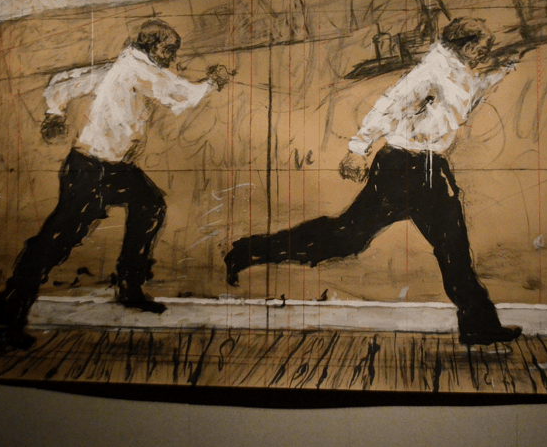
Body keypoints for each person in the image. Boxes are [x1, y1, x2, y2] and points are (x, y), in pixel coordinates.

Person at [224, 17, 522, 346]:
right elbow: (388, 107)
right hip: (402, 168)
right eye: (482, 47)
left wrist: (499, 73)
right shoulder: (430, 71)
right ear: (465, 44)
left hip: (431, 168)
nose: (484, 53)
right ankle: (249, 250)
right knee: (347, 239)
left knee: (453, 248)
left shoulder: (459, 70)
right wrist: (357, 149)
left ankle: (478, 325)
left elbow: (461, 105)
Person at [0, 19, 232, 349]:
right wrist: (212, 83)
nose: (173, 57)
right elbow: (177, 95)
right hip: (90, 172)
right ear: (151, 47)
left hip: (114, 170)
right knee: (56, 242)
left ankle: (130, 287)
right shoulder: (139, 69)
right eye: (168, 49)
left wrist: (54, 112)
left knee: (150, 206)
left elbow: (63, 83)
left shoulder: (120, 66)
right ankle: (8, 315)